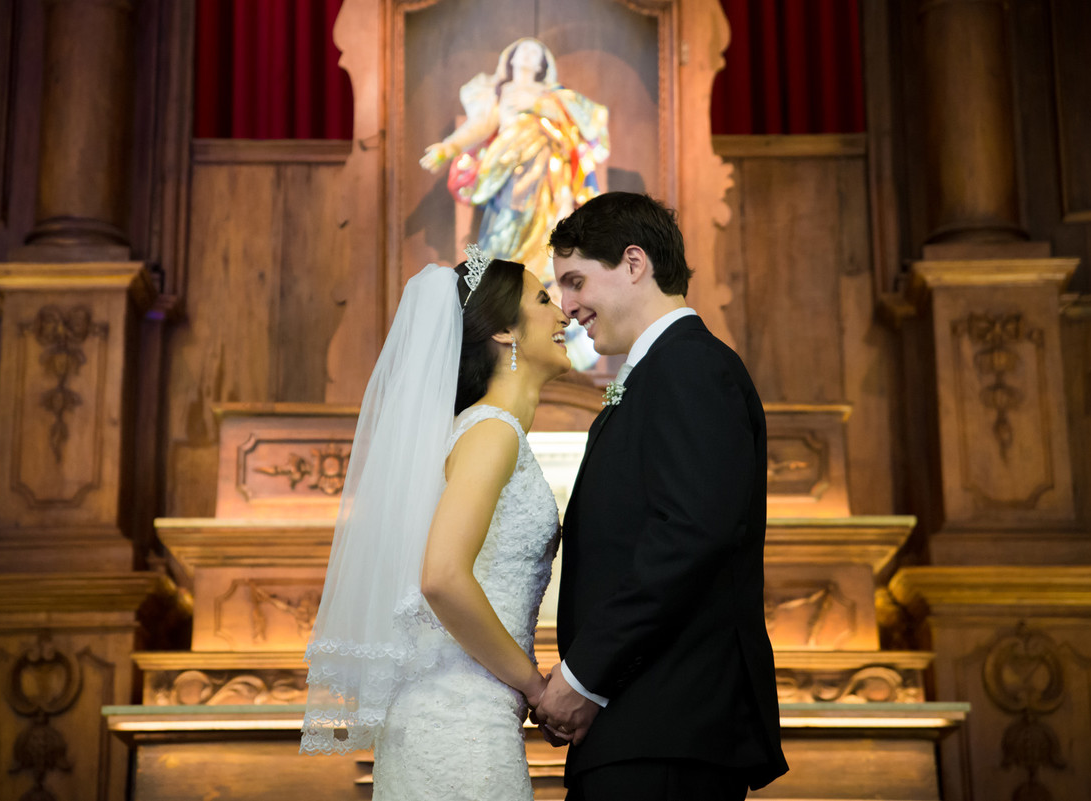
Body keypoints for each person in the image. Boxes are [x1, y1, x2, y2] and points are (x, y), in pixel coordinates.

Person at [533, 193, 789, 800]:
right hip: (643, 727)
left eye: (575, 281)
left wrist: (584, 678)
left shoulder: (689, 368)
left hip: (669, 728)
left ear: (633, 263)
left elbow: (691, 535)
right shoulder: (655, 374)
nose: (567, 308)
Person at [301, 246, 572, 801]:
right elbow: (442, 576)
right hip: (462, 726)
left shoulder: (474, 430)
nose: (563, 313)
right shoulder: (491, 432)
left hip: (455, 716)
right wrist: (534, 685)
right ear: (504, 331)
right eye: (544, 298)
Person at [420, 37, 610, 287]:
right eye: (524, 50)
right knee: (507, 223)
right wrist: (449, 147)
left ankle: (545, 284)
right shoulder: (501, 92)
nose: (530, 54)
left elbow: (585, 122)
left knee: (550, 230)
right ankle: (498, 284)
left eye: (536, 51)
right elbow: (479, 127)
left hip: (548, 174)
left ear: (543, 63)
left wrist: (538, 104)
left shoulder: (554, 95)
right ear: (511, 58)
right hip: (510, 171)